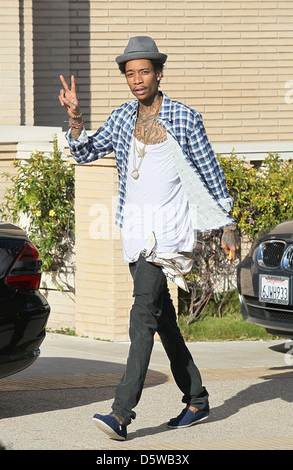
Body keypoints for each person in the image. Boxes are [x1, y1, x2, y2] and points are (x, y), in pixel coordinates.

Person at [59, 36, 239, 441]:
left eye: (144, 71)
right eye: (130, 73)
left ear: (159, 73)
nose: (137, 80)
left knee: (141, 317)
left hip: (170, 236)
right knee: (163, 321)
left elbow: (211, 174)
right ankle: (197, 398)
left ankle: (121, 414)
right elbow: (85, 152)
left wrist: (228, 224)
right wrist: (75, 118)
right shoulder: (124, 117)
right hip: (136, 233)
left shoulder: (184, 117)